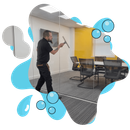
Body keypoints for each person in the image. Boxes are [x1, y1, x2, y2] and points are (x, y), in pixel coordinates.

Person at [35, 30, 64, 98]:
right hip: (42, 65)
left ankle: (36, 91)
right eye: (51, 36)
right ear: (47, 36)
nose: (52, 37)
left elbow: (37, 49)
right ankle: (51, 95)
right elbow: (53, 52)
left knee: (42, 78)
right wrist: (59, 46)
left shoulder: (40, 41)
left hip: (39, 64)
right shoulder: (45, 43)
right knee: (48, 79)